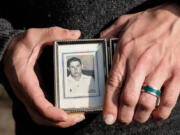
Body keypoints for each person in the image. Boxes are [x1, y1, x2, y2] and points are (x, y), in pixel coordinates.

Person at [1, 0, 180, 135]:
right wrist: (5, 43)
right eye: (74, 68)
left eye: (79, 67)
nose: (77, 70)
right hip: (39, 125)